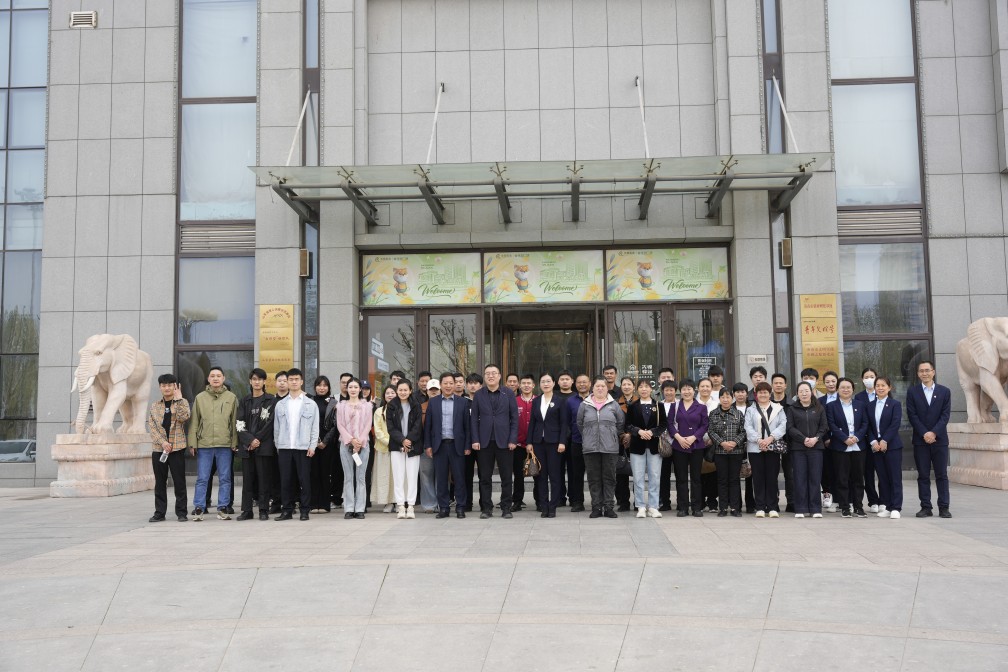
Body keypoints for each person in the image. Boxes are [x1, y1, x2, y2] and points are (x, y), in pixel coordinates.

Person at [188, 366, 238, 521]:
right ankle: (199, 507)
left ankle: (223, 507)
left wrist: (235, 441)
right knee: (202, 478)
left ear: (223, 378)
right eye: (212, 376)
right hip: (205, 444)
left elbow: (234, 421)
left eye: (218, 376)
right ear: (208, 379)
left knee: (225, 478)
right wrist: (193, 443)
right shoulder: (200, 398)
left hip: (225, 444)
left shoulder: (231, 397)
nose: (215, 378)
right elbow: (195, 421)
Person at [470, 364, 519, 519]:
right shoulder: (479, 394)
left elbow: (514, 418)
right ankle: (486, 508)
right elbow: (474, 419)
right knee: (485, 477)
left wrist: (513, 439)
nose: (490, 376)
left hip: (505, 441)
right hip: (484, 442)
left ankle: (506, 508)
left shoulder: (508, 393)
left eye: (493, 373)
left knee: (506, 477)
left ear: (499, 376)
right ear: (484, 377)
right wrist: (475, 439)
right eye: (487, 374)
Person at [906, 360, 952, 518]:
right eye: (921, 371)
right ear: (918, 374)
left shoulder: (944, 392)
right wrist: (924, 433)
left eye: (927, 370)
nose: (924, 373)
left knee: (941, 475)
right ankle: (926, 506)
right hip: (921, 440)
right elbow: (912, 415)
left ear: (933, 372)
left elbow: (945, 415)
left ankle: (944, 507)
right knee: (923, 475)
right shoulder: (912, 392)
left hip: (940, 440)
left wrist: (934, 433)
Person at [273, 368, 318, 521]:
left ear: (301, 381)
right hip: (285, 447)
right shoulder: (280, 404)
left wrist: (312, 446)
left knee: (304, 480)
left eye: (296, 379)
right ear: (287, 381)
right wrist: (278, 446)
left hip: (303, 448)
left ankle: (305, 510)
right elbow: (276, 428)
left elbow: (315, 428)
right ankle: (287, 510)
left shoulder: (310, 404)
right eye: (290, 379)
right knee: (286, 480)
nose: (293, 382)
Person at [425, 372, 471, 519]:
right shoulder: (433, 402)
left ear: (455, 384)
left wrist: (467, 446)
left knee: (459, 478)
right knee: (441, 479)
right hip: (439, 445)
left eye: (451, 383)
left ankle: (460, 507)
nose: (449, 386)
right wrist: (428, 445)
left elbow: (467, 426)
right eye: (445, 383)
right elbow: (428, 426)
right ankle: (444, 508)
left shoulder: (462, 402)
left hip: (457, 445)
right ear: (440, 385)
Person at [577, 376, 625, 518]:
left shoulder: (614, 405)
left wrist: (611, 435)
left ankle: (609, 507)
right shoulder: (584, 405)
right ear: (593, 388)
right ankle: (596, 507)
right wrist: (588, 436)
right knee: (594, 479)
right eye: (597, 386)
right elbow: (580, 424)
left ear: (607, 388)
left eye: (603, 386)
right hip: (590, 448)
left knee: (609, 478)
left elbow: (620, 424)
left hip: (610, 448)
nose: (600, 388)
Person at [525, 372, 569, 518]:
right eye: (543, 381)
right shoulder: (536, 401)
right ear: (539, 384)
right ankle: (544, 506)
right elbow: (532, 423)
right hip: (538, 443)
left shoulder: (560, 401)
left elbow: (564, 423)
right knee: (541, 476)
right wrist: (529, 442)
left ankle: (553, 506)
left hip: (555, 443)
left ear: (553, 383)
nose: (546, 384)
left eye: (548, 381)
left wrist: (562, 442)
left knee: (555, 475)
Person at [147, 374, 190, 522]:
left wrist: (178, 400)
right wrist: (163, 442)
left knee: (179, 482)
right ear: (160, 387)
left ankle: (182, 513)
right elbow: (152, 427)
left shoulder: (182, 402)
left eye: (170, 385)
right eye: (164, 385)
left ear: (175, 386)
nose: (167, 388)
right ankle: (159, 513)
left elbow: (184, 417)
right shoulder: (155, 406)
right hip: (159, 449)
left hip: (177, 448)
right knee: (160, 482)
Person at [236, 368, 277, 521]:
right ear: (250, 381)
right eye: (254, 379)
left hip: (263, 446)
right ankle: (247, 511)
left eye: (260, 379)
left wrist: (257, 439)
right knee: (247, 480)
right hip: (247, 448)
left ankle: (263, 510)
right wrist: (249, 440)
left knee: (264, 479)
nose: (257, 382)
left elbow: (270, 423)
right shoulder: (244, 401)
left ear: (264, 381)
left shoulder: (271, 400)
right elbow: (239, 423)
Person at [825, 377, 869, 518]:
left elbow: (865, 424)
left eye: (848, 387)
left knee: (858, 479)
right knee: (842, 478)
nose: (845, 390)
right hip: (840, 447)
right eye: (842, 387)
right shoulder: (831, 406)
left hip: (858, 446)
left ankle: (858, 507)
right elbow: (831, 425)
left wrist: (856, 437)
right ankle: (844, 507)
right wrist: (844, 438)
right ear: (837, 389)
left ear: (853, 389)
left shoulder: (860, 405)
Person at [785, 381, 828, 519]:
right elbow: (790, 427)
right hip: (798, 449)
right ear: (797, 394)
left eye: (806, 390)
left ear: (811, 392)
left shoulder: (819, 408)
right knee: (799, 478)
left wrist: (816, 438)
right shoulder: (792, 409)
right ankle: (801, 508)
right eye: (801, 391)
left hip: (816, 448)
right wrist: (803, 439)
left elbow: (824, 426)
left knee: (815, 478)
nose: (804, 393)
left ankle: (815, 509)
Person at [744, 381, 785, 518]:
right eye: (760, 392)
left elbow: (783, 425)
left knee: (772, 477)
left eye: (765, 392)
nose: (763, 394)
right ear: (756, 394)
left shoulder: (778, 408)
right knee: (758, 478)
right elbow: (747, 427)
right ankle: (760, 506)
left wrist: (770, 438)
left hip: (772, 448)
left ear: (770, 393)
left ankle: (772, 507)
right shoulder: (750, 409)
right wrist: (759, 440)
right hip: (755, 448)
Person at [670, 379, 709, 517]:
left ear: (694, 390)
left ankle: (697, 507)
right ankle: (683, 507)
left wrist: (694, 437)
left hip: (696, 446)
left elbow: (705, 425)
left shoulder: (701, 407)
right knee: (681, 478)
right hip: (679, 445)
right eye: (684, 389)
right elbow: (669, 424)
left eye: (689, 389)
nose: (686, 392)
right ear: (680, 391)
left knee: (696, 478)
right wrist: (679, 438)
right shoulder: (675, 406)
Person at [335, 378, 372, 519]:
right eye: (350, 387)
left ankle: (360, 508)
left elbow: (368, 425)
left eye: (356, 387)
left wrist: (359, 441)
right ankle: (349, 508)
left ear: (360, 389)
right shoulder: (341, 406)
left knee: (361, 477)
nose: (353, 389)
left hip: (363, 445)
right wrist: (351, 440)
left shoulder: (367, 406)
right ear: (347, 388)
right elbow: (340, 425)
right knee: (348, 477)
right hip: (345, 445)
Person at [868, 375, 904, 519]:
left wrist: (885, 440)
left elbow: (895, 424)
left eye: (883, 385)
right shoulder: (870, 406)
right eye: (878, 385)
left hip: (892, 446)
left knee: (894, 477)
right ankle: (887, 506)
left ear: (889, 388)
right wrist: (873, 442)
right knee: (883, 478)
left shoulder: (895, 404)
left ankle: (896, 507)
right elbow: (868, 426)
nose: (880, 388)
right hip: (876, 447)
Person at [625, 379, 662, 518]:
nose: (644, 389)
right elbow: (627, 425)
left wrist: (652, 432)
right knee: (638, 477)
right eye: (641, 387)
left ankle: (653, 506)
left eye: (647, 386)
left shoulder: (658, 405)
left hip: (654, 446)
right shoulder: (632, 406)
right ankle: (640, 505)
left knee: (655, 477)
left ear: (651, 389)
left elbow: (663, 424)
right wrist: (638, 431)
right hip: (637, 446)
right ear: (637, 389)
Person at [387, 380, 423, 519]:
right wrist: (402, 440)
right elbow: (390, 427)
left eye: (405, 390)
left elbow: (418, 425)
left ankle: (411, 506)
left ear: (410, 390)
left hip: (413, 445)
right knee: (398, 477)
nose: (403, 392)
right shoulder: (391, 405)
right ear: (397, 391)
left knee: (412, 477)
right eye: (400, 390)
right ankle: (401, 506)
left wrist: (409, 440)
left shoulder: (416, 404)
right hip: (397, 445)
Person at [707, 387, 745, 517]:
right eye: (722, 397)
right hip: (720, 452)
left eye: (728, 397)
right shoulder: (713, 414)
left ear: (732, 398)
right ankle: (722, 508)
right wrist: (722, 443)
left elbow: (743, 431)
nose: (725, 399)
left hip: (736, 451)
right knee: (722, 480)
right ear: (719, 399)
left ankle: (735, 508)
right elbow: (711, 431)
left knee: (734, 480)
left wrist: (734, 443)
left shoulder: (738, 413)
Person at [855, 367, 882, 513]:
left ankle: (884, 500)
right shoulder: (858, 397)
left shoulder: (883, 393)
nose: (869, 379)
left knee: (883, 472)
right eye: (866, 377)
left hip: (882, 440)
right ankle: (873, 501)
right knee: (868, 472)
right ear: (862, 379)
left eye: (872, 376)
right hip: (866, 440)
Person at [565, 373, 591, 512]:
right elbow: (567, 422)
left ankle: (597, 501)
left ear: (590, 384)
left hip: (594, 443)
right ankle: (577, 502)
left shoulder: (595, 399)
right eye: (579, 382)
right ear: (575, 384)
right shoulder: (570, 401)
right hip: (576, 442)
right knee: (576, 474)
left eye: (584, 382)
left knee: (594, 474)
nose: (582, 384)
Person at [308, 375, 334, 513]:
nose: (322, 388)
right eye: (319, 385)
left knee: (325, 473)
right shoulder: (309, 401)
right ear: (315, 387)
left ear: (328, 388)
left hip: (327, 443)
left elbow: (335, 425)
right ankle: (313, 504)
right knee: (313, 473)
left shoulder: (333, 403)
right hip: (311, 442)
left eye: (325, 385)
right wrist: (314, 441)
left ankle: (324, 504)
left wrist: (324, 441)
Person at [770, 373, 794, 512]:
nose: (778, 385)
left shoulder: (792, 404)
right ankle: (774, 502)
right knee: (772, 474)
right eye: (776, 383)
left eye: (781, 383)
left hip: (789, 443)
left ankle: (791, 502)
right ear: (772, 385)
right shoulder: (767, 403)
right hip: (771, 442)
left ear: (785, 385)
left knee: (790, 474)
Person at [371, 385, 396, 513]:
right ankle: (388, 502)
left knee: (397, 477)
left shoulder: (401, 410)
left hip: (399, 448)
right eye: (387, 393)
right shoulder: (379, 411)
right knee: (384, 476)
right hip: (383, 448)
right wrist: (389, 442)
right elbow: (378, 430)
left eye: (392, 392)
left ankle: (398, 501)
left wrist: (397, 442)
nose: (390, 395)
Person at [514, 373, 537, 512]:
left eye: (529, 383)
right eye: (524, 383)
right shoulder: (514, 401)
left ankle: (539, 501)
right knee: (518, 475)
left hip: (536, 445)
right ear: (519, 385)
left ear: (533, 385)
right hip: (518, 444)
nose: (526, 385)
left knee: (537, 474)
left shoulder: (539, 401)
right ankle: (517, 501)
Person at [418, 378, 441, 514]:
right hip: (425, 446)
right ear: (426, 391)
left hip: (442, 445)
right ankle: (429, 504)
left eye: (436, 390)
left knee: (442, 475)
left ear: (440, 390)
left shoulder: (446, 405)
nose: (433, 392)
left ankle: (441, 502)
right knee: (426, 475)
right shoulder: (421, 407)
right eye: (431, 390)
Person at [697, 377, 719, 512]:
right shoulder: (693, 403)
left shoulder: (717, 404)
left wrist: (713, 438)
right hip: (696, 442)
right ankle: (699, 502)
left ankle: (712, 502)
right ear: (698, 388)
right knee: (698, 473)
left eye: (707, 386)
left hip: (713, 442)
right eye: (702, 386)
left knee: (713, 473)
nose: (705, 389)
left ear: (711, 388)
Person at [614, 375, 636, 512]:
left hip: (638, 441)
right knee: (621, 473)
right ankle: (623, 502)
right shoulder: (615, 403)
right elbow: (614, 423)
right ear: (621, 387)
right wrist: (623, 435)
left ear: (633, 387)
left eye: (629, 384)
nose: (626, 387)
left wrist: (631, 435)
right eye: (624, 384)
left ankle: (638, 501)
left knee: (638, 473)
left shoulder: (640, 401)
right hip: (620, 442)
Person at [463, 372, 483, 511]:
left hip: (483, 443)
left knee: (484, 475)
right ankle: (467, 503)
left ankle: (484, 503)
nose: (473, 386)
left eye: (476, 383)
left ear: (481, 386)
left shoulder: (484, 401)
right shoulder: (462, 402)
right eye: (470, 383)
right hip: (466, 444)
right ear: (466, 385)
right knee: (466, 475)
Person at [269, 370, 289, 514]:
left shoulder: (293, 400)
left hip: (289, 443)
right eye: (279, 381)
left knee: (288, 474)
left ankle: (290, 502)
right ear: (275, 383)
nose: (282, 383)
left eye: (284, 381)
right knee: (274, 474)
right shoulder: (270, 401)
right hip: (272, 443)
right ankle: (276, 502)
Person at [657, 376, 678, 511]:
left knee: (680, 474)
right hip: (663, 444)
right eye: (666, 390)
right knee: (663, 475)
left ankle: (682, 501)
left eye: (671, 390)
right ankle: (665, 502)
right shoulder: (658, 405)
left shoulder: (680, 405)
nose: (669, 392)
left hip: (679, 443)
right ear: (662, 391)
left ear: (675, 391)